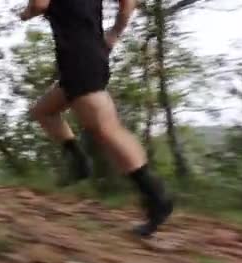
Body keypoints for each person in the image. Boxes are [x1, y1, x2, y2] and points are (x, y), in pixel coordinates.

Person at [19, 0, 173, 237]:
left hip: (80, 60)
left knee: (106, 130)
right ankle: (79, 162)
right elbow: (129, 2)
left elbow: (39, 5)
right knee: (43, 111)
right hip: (84, 58)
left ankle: (156, 198)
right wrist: (114, 33)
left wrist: (26, 13)